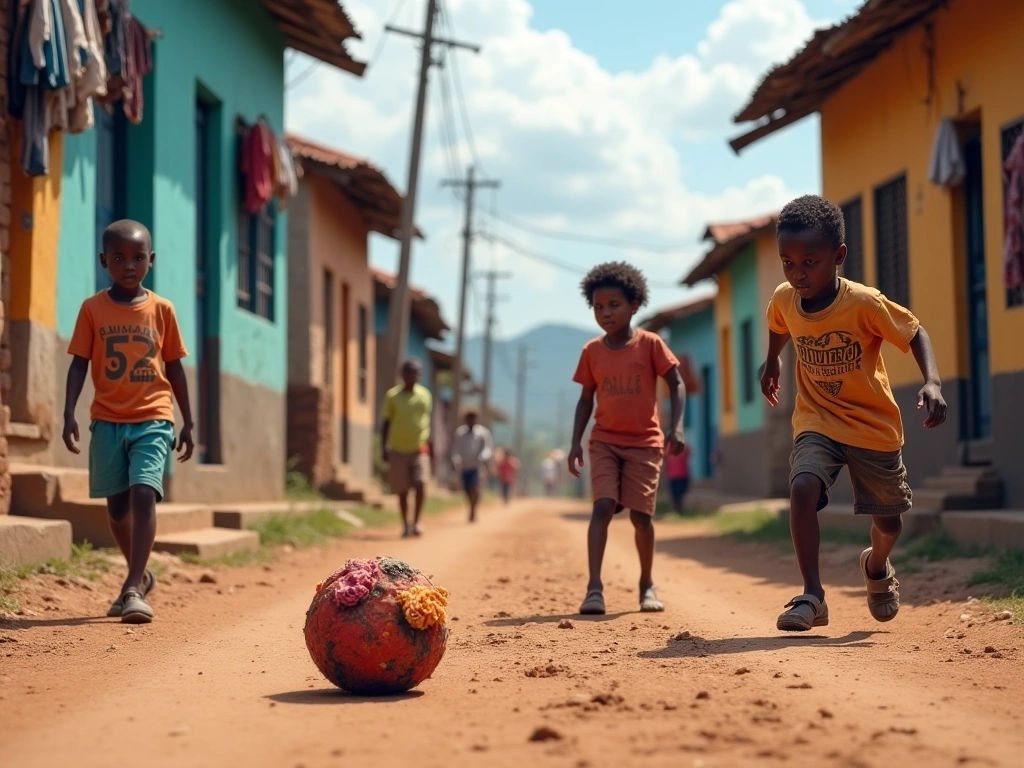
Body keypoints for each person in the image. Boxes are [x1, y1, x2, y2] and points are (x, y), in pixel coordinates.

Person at [761, 195, 947, 632]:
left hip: (872, 426)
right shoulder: (786, 298)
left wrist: (933, 382)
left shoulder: (864, 303)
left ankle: (876, 566)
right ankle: (812, 595)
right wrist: (772, 363)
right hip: (817, 419)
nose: (798, 273)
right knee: (802, 486)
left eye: (810, 262)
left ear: (838, 256)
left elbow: (914, 331)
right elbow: (778, 323)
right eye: (787, 263)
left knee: (889, 523)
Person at [62, 220, 194, 625]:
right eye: (119, 258)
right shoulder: (92, 309)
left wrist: (188, 421)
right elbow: (78, 364)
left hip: (153, 416)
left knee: (143, 494)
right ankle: (141, 573)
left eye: (137, 258)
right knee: (118, 509)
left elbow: (175, 367)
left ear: (151, 261)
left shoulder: (162, 310)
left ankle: (133, 587)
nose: (129, 265)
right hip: (107, 419)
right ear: (104, 261)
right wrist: (68, 412)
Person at [567, 261, 686, 616]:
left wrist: (677, 426)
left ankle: (647, 583)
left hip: (645, 444)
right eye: (598, 307)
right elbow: (585, 400)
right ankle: (594, 588)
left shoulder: (650, 344)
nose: (605, 313)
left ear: (634, 305)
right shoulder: (591, 352)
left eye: (614, 305)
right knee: (602, 506)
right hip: (604, 441)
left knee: (640, 518)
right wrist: (575, 442)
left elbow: (677, 383)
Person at [380, 359, 434, 538]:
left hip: (419, 448)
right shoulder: (392, 396)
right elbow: (386, 423)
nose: (411, 376)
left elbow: (427, 422)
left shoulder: (425, 396)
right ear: (402, 374)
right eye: (408, 372)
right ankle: (405, 524)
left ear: (419, 375)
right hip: (398, 449)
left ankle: (417, 521)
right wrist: (384, 447)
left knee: (421, 484)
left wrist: (431, 447)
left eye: (415, 373)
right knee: (402, 491)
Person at [451, 409, 494, 522]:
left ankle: (473, 510)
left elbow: (488, 448)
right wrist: (456, 460)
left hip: (477, 466)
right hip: (464, 466)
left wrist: (483, 456)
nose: (471, 421)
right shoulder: (460, 433)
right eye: (469, 419)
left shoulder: (482, 432)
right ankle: (471, 506)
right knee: (466, 490)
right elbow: (456, 449)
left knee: (475, 488)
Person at [665, 443, 692, 515]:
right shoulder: (670, 448)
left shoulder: (682, 447)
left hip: (681, 474)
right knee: (675, 494)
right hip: (674, 475)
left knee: (680, 493)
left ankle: (679, 510)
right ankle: (675, 510)